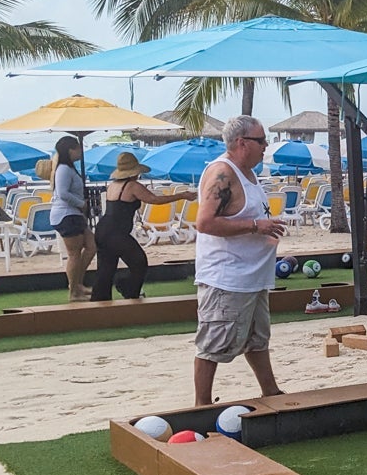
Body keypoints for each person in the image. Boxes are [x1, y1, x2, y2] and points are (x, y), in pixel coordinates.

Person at [192, 115, 288, 407]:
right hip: (227, 277)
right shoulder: (223, 173)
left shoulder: (248, 173)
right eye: (261, 141)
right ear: (241, 142)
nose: (265, 146)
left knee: (257, 338)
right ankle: (201, 404)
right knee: (214, 343)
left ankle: (270, 391)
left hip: (253, 277)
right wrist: (256, 227)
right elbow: (204, 222)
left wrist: (264, 229)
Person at [90, 152, 194, 302]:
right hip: (116, 232)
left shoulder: (113, 185)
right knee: (139, 263)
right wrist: (182, 195)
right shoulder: (132, 186)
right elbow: (155, 200)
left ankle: (99, 301)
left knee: (106, 269)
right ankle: (128, 289)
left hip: (103, 229)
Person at [49, 135, 95, 301]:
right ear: (70, 150)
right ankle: (74, 291)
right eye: (78, 148)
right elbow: (62, 193)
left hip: (73, 214)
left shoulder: (69, 168)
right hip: (66, 214)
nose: (80, 151)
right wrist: (81, 203)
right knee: (74, 253)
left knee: (91, 245)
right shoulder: (63, 169)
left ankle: (77, 284)